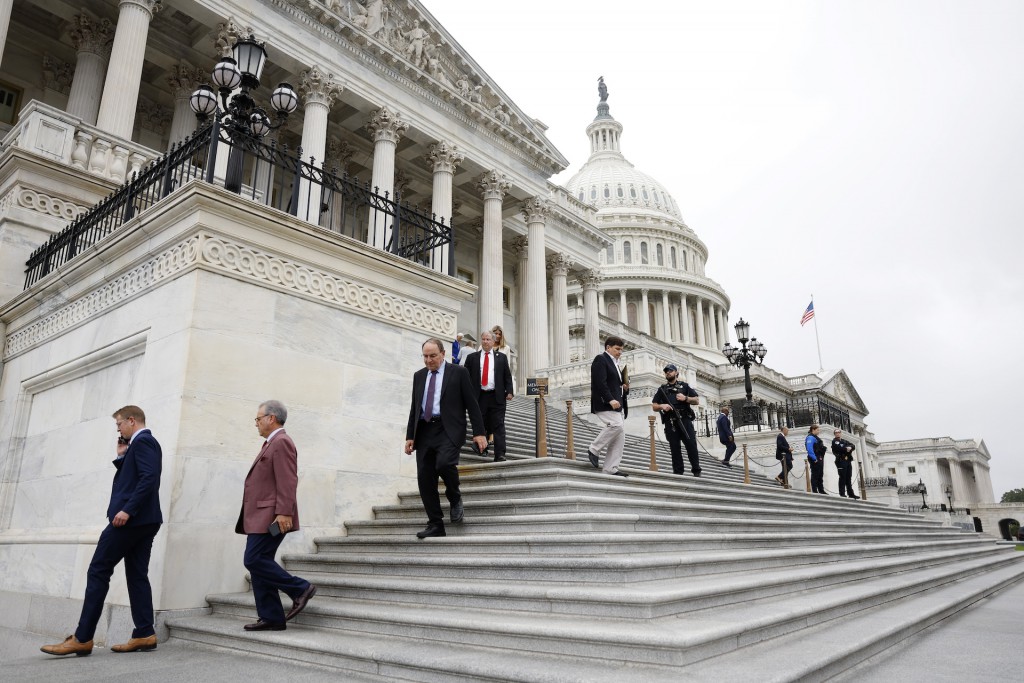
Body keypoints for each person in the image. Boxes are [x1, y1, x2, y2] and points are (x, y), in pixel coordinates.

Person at [41, 406, 163, 656]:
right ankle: (144, 633)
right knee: (137, 575)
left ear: (132, 420)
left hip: (131, 521)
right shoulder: (138, 446)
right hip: (144, 521)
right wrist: (121, 457)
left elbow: (149, 478)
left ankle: (83, 637)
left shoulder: (144, 442)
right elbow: (136, 477)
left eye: (119, 424)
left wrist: (127, 510)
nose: (118, 429)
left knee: (98, 570)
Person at [235, 400, 317, 632]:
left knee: (253, 559)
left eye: (258, 419)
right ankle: (271, 617)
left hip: (272, 517)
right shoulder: (271, 443)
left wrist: (283, 512)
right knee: (260, 563)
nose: (256, 424)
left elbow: (288, 480)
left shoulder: (281, 442)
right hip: (262, 517)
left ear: (271, 418)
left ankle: (300, 588)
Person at [405, 338, 488, 538]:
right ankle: (435, 524)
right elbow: (415, 407)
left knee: (444, 464)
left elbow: (471, 403)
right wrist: (410, 436)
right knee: (425, 478)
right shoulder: (419, 376)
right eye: (425, 356)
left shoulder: (458, 372)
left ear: (443, 354)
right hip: (424, 430)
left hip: (448, 429)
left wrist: (479, 432)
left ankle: (454, 496)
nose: (428, 360)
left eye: (432, 356)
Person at [464, 330, 514, 462]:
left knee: (498, 425)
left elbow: (507, 376)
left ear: (493, 342)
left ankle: (500, 454)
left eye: (488, 339)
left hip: (496, 396)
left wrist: (509, 391)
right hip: (479, 396)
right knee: (481, 423)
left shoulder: (501, 358)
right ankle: (482, 448)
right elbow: (465, 378)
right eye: (484, 339)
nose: (486, 342)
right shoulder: (472, 358)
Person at [587, 336, 629, 477]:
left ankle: (610, 468)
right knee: (616, 425)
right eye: (617, 349)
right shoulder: (601, 359)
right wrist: (610, 399)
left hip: (618, 404)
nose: (619, 352)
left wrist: (623, 387)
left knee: (620, 436)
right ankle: (594, 449)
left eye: (621, 350)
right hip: (605, 403)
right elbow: (600, 383)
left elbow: (613, 384)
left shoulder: (616, 364)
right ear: (608, 347)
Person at [651, 364, 701, 476]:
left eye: (670, 371)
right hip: (671, 421)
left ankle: (696, 470)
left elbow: (697, 400)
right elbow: (654, 405)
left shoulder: (685, 386)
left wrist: (686, 398)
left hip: (685, 420)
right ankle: (678, 472)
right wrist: (662, 406)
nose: (668, 372)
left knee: (691, 444)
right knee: (674, 447)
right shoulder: (662, 389)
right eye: (666, 371)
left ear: (676, 373)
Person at [832, 429, 860, 499]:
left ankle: (851, 493)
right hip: (841, 461)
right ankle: (842, 493)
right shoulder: (834, 441)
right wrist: (846, 448)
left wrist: (850, 447)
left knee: (848, 477)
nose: (837, 434)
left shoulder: (844, 441)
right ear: (834, 434)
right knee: (842, 477)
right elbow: (839, 448)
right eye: (836, 433)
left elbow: (853, 445)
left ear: (840, 433)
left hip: (847, 461)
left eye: (839, 432)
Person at [805, 424, 828, 494]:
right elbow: (809, 449)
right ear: (813, 430)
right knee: (815, 474)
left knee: (820, 474)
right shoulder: (810, 437)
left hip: (819, 457)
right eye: (817, 430)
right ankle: (815, 490)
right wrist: (814, 458)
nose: (819, 431)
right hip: (815, 458)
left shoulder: (815, 437)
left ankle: (821, 490)